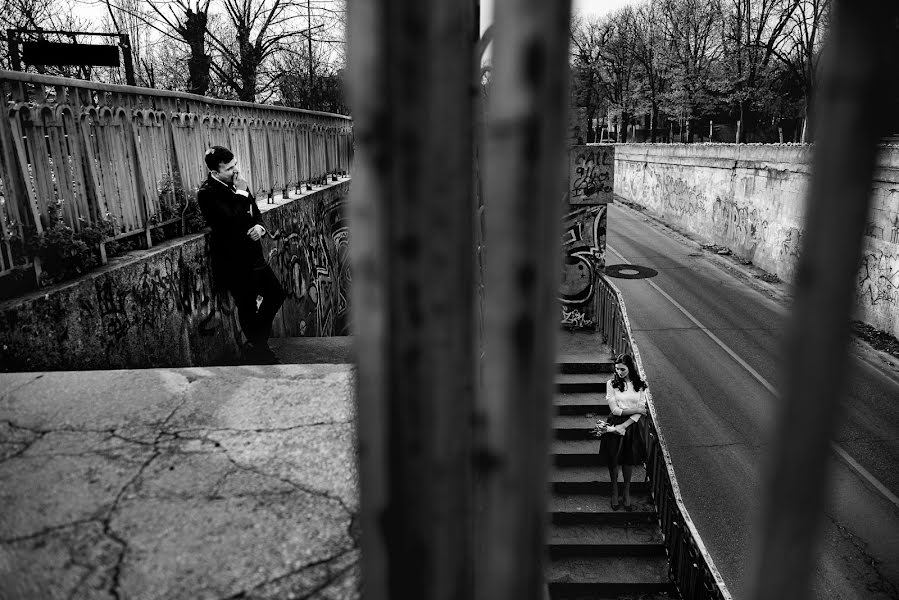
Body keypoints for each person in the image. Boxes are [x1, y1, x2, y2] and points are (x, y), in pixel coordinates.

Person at [198, 146, 286, 364]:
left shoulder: (238, 185)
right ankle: (261, 350)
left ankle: (257, 341)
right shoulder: (207, 193)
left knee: (276, 294)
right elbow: (230, 222)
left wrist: (260, 228)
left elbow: (255, 213)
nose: (235, 170)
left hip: (255, 257)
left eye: (235, 164)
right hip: (234, 262)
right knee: (247, 306)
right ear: (215, 172)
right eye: (229, 168)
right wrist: (241, 193)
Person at [598, 353, 649, 511]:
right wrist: (636, 410)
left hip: (630, 426)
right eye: (617, 369)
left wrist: (624, 426)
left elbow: (642, 411)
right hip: (614, 423)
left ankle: (626, 491)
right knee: (613, 460)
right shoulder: (611, 384)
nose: (619, 372)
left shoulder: (639, 385)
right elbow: (615, 410)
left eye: (622, 369)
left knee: (628, 460)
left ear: (630, 367)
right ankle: (614, 490)